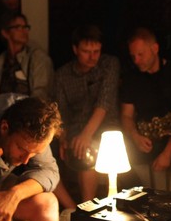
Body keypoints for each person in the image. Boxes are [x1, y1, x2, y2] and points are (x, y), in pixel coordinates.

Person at [120, 27, 171, 196]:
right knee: (116, 156)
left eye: (141, 54)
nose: (136, 60)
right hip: (143, 138)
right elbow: (126, 115)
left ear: (155, 49)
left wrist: (168, 153)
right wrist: (135, 137)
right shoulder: (131, 78)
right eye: (133, 56)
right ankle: (140, 199)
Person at [51, 24, 121, 204]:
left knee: (85, 151)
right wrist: (63, 137)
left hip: (106, 127)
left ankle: (86, 205)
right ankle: (72, 207)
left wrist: (86, 135)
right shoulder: (62, 75)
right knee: (45, 153)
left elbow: (104, 102)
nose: (92, 57)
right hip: (75, 127)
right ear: (75, 49)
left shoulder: (109, 65)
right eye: (86, 52)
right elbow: (61, 111)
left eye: (96, 51)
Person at [0, 12, 53, 100]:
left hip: (28, 107)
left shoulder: (38, 58)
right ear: (5, 33)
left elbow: (41, 93)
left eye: (25, 27)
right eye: (18, 27)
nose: (24, 31)